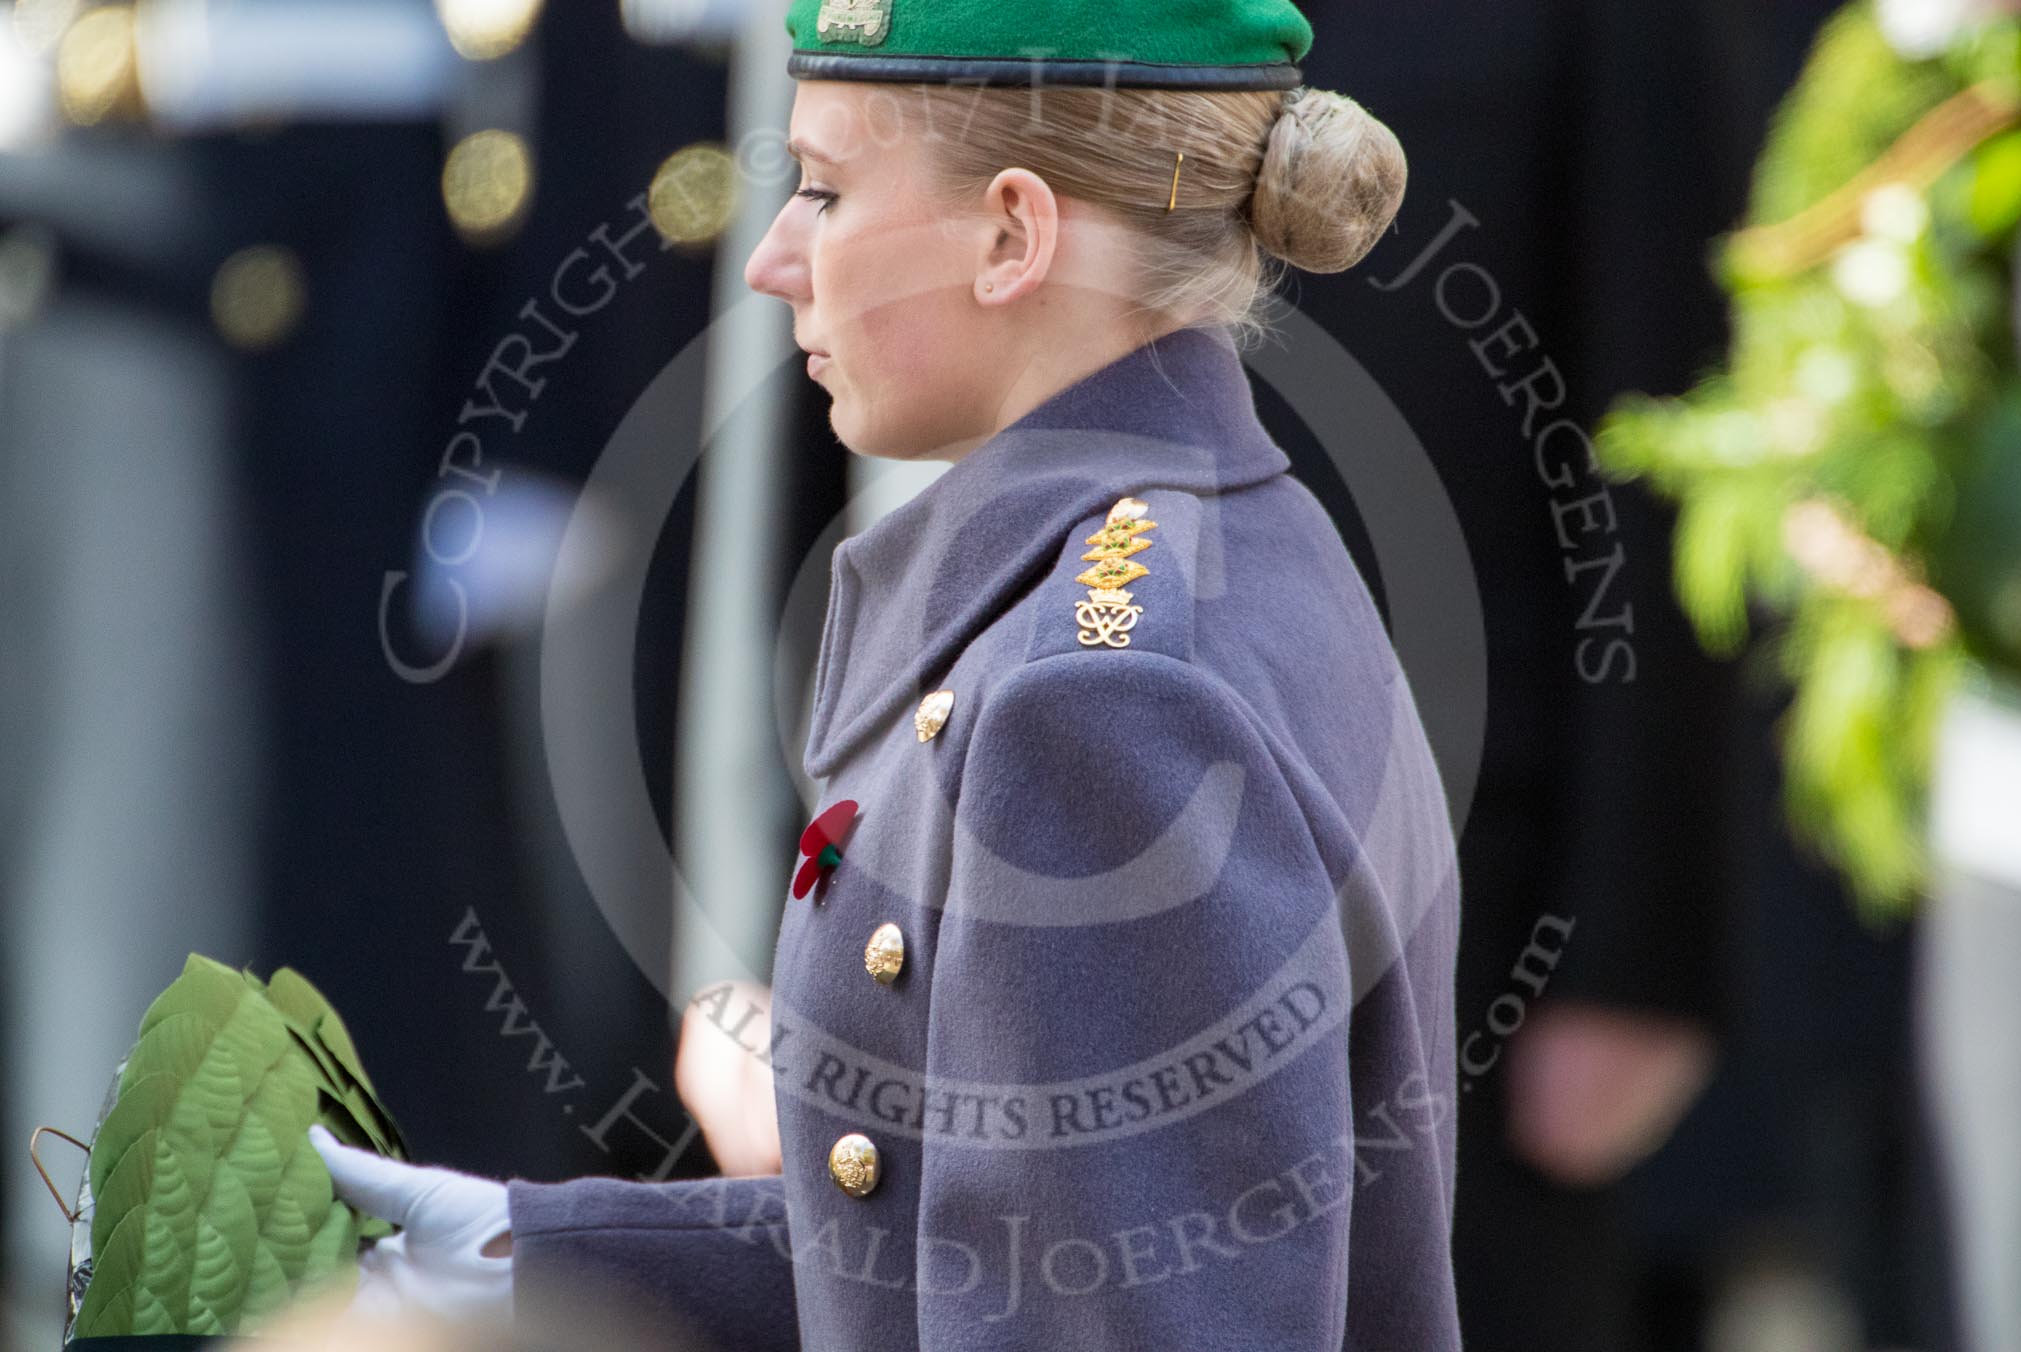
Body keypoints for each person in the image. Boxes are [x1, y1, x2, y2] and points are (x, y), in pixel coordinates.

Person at [309, 0, 1463, 1346]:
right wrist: (530, 1259)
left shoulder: (1094, 702)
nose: (774, 260)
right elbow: (994, 1246)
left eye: (826, 190)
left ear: (1012, 235)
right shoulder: (1222, 541)